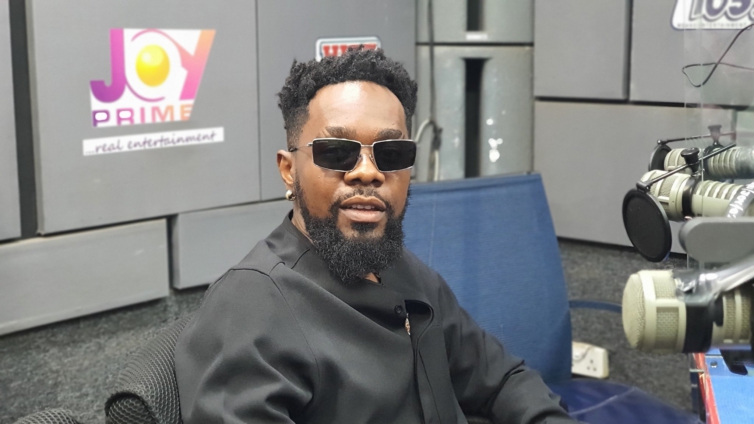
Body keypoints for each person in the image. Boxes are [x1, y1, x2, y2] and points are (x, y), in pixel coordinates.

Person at [174, 48, 575, 424]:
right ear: (288, 170)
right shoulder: (250, 309)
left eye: (391, 154)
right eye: (337, 152)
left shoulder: (406, 272)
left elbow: (502, 380)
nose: (368, 172)